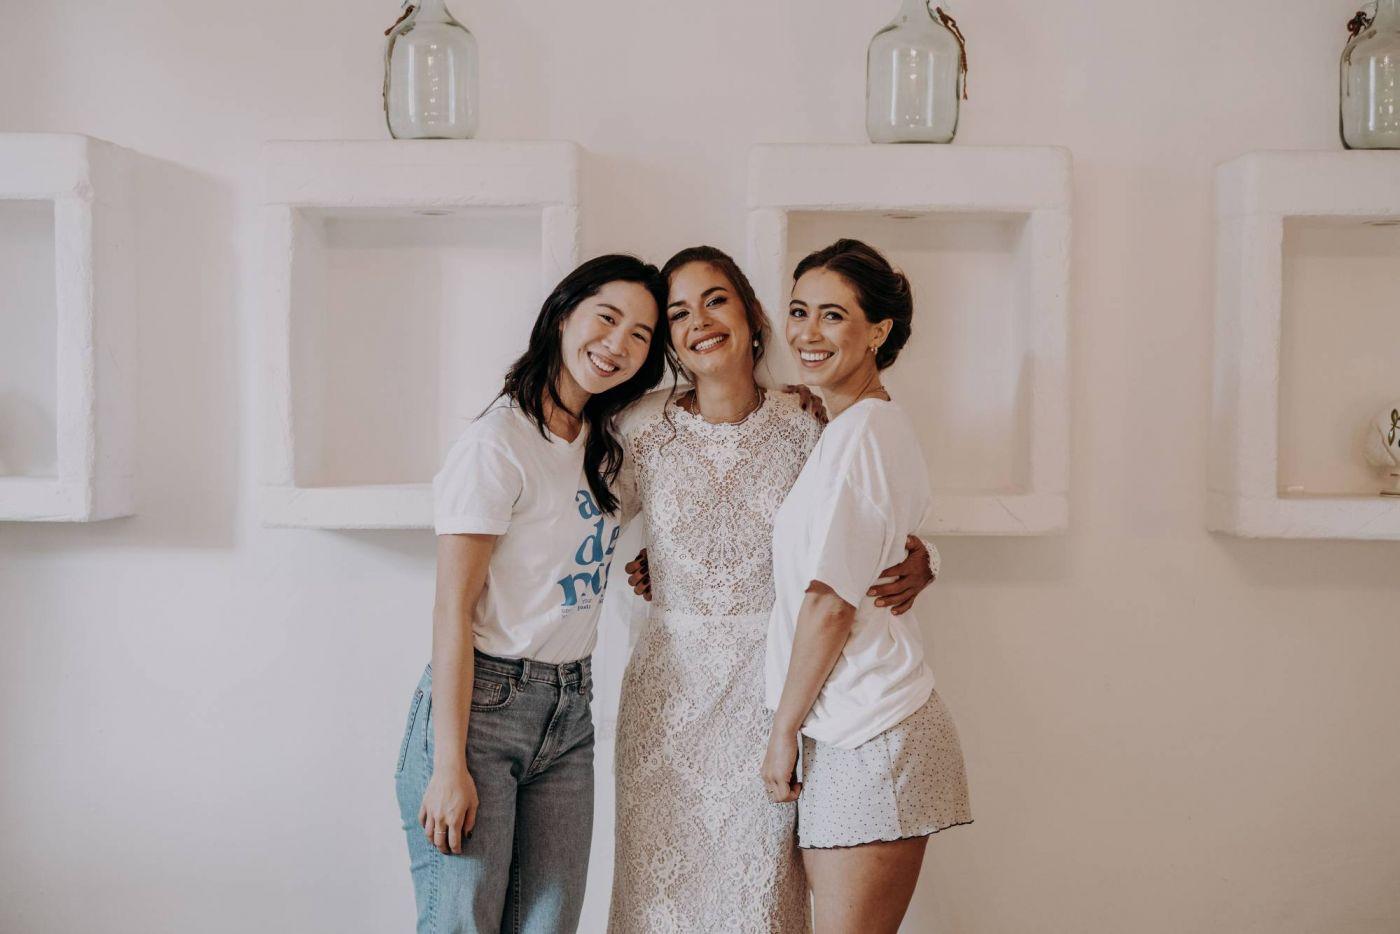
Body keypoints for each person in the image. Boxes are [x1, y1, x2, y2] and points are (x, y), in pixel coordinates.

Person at [608, 246, 938, 933]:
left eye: (716, 301)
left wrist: (927, 556)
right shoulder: (639, 428)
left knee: (756, 902)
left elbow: (872, 511)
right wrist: (647, 562)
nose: (700, 321)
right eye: (679, 313)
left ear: (752, 313)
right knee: (658, 899)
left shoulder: (811, 418)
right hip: (668, 696)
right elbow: (574, 522)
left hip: (774, 691)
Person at [394, 254, 669, 934]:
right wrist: (449, 765)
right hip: (481, 712)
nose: (618, 344)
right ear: (563, 314)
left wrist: (794, 394)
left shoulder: (606, 445)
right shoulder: (498, 445)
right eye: (607, 318)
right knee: (463, 924)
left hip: (571, 714)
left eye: (640, 335)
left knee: (549, 925)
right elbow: (451, 610)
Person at [762, 239, 972, 934]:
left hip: (870, 733)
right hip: (853, 727)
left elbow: (829, 602)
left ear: (878, 332)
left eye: (833, 316)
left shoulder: (864, 436)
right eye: (799, 311)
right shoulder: (850, 428)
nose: (807, 332)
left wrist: (782, 733)